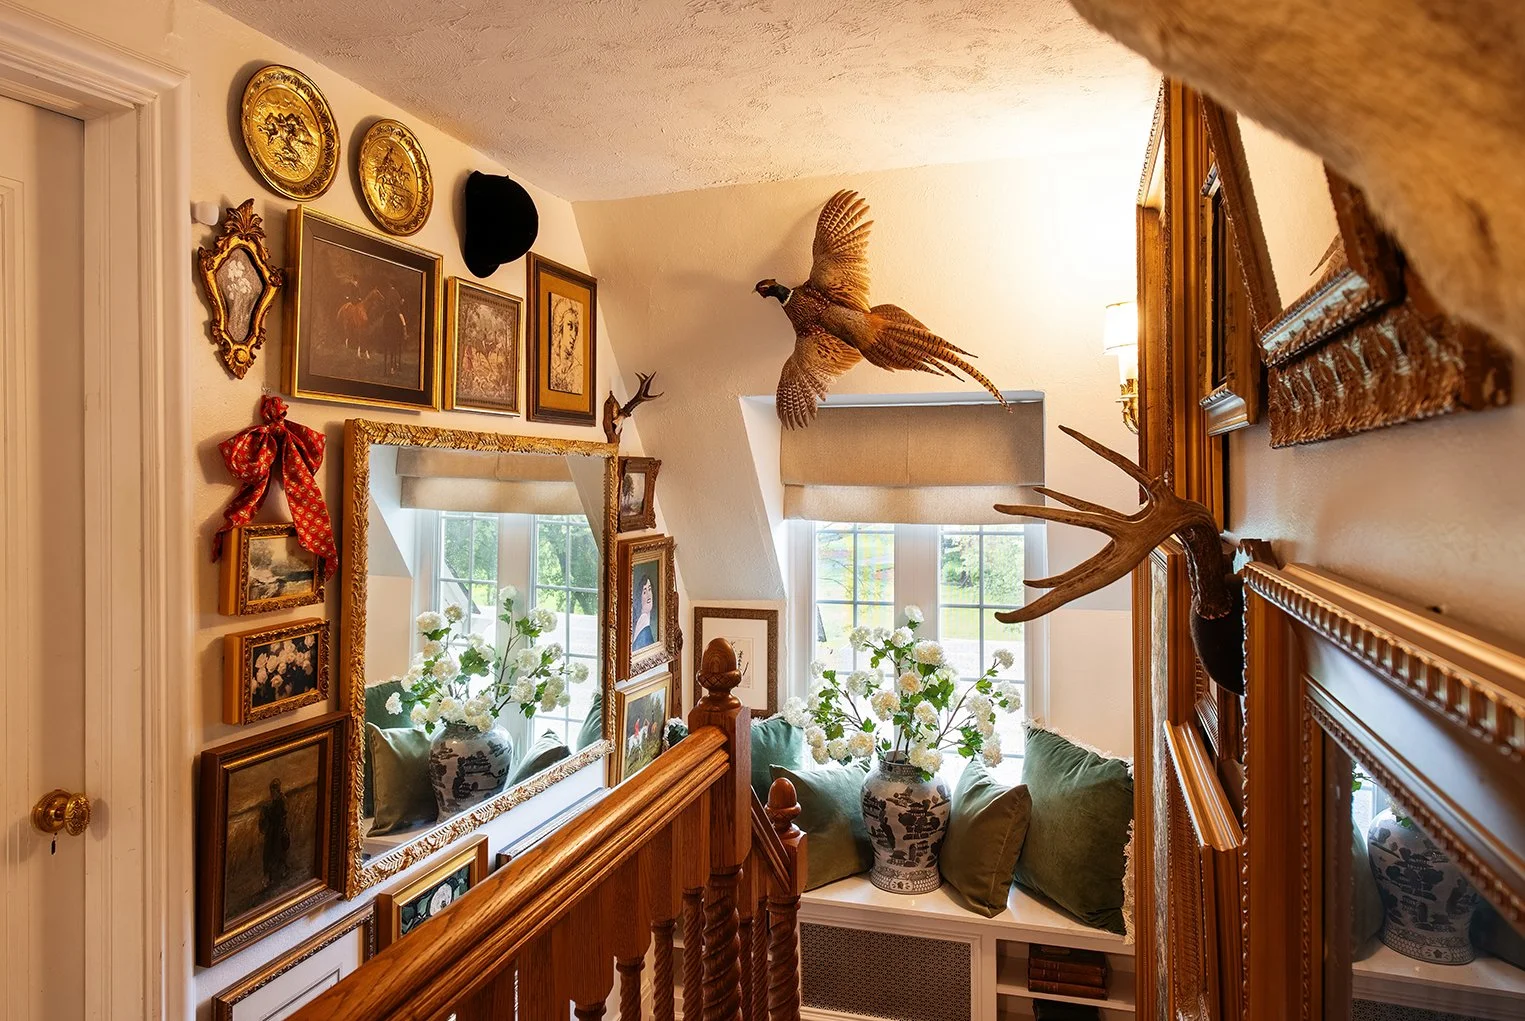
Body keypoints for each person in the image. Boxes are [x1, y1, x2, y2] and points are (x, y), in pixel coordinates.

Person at [258, 778, 292, 890]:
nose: (273, 792)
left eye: (275, 789)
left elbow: (284, 815)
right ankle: (269, 877)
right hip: (271, 832)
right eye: (272, 789)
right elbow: (264, 824)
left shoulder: (282, 800)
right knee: (268, 854)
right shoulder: (270, 805)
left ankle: (283, 870)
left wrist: (283, 829)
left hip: (278, 831)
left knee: (279, 852)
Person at [631, 575, 657, 650]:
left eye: (649, 589)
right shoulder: (644, 627)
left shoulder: (646, 622)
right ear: (639, 596)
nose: (649, 595)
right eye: (644, 592)